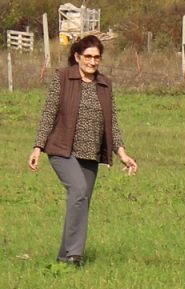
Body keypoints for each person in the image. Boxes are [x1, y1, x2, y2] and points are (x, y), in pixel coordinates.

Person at [27, 35, 138, 266]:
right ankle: (75, 255)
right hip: (61, 149)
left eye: (97, 57)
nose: (92, 61)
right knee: (78, 190)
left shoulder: (105, 84)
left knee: (81, 201)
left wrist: (122, 153)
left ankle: (63, 256)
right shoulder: (63, 78)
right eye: (88, 56)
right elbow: (49, 112)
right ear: (77, 57)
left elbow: (112, 121)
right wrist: (38, 147)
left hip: (90, 153)